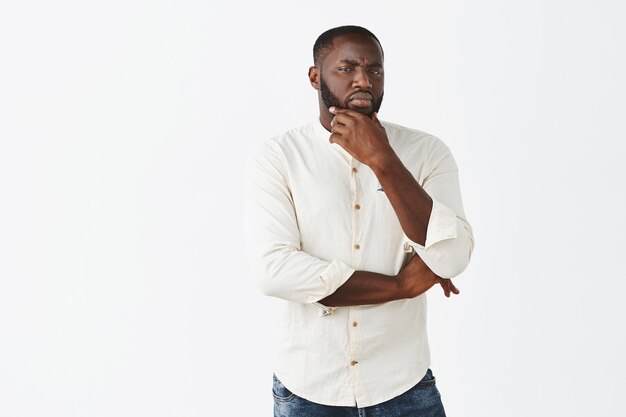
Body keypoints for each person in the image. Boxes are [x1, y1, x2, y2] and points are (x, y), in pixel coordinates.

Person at [244, 25, 474, 417]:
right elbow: (275, 271)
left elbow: (452, 259)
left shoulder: (427, 153)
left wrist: (383, 160)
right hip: (309, 388)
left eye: (375, 70)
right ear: (316, 76)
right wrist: (403, 285)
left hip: (403, 384)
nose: (364, 80)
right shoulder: (278, 156)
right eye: (347, 68)